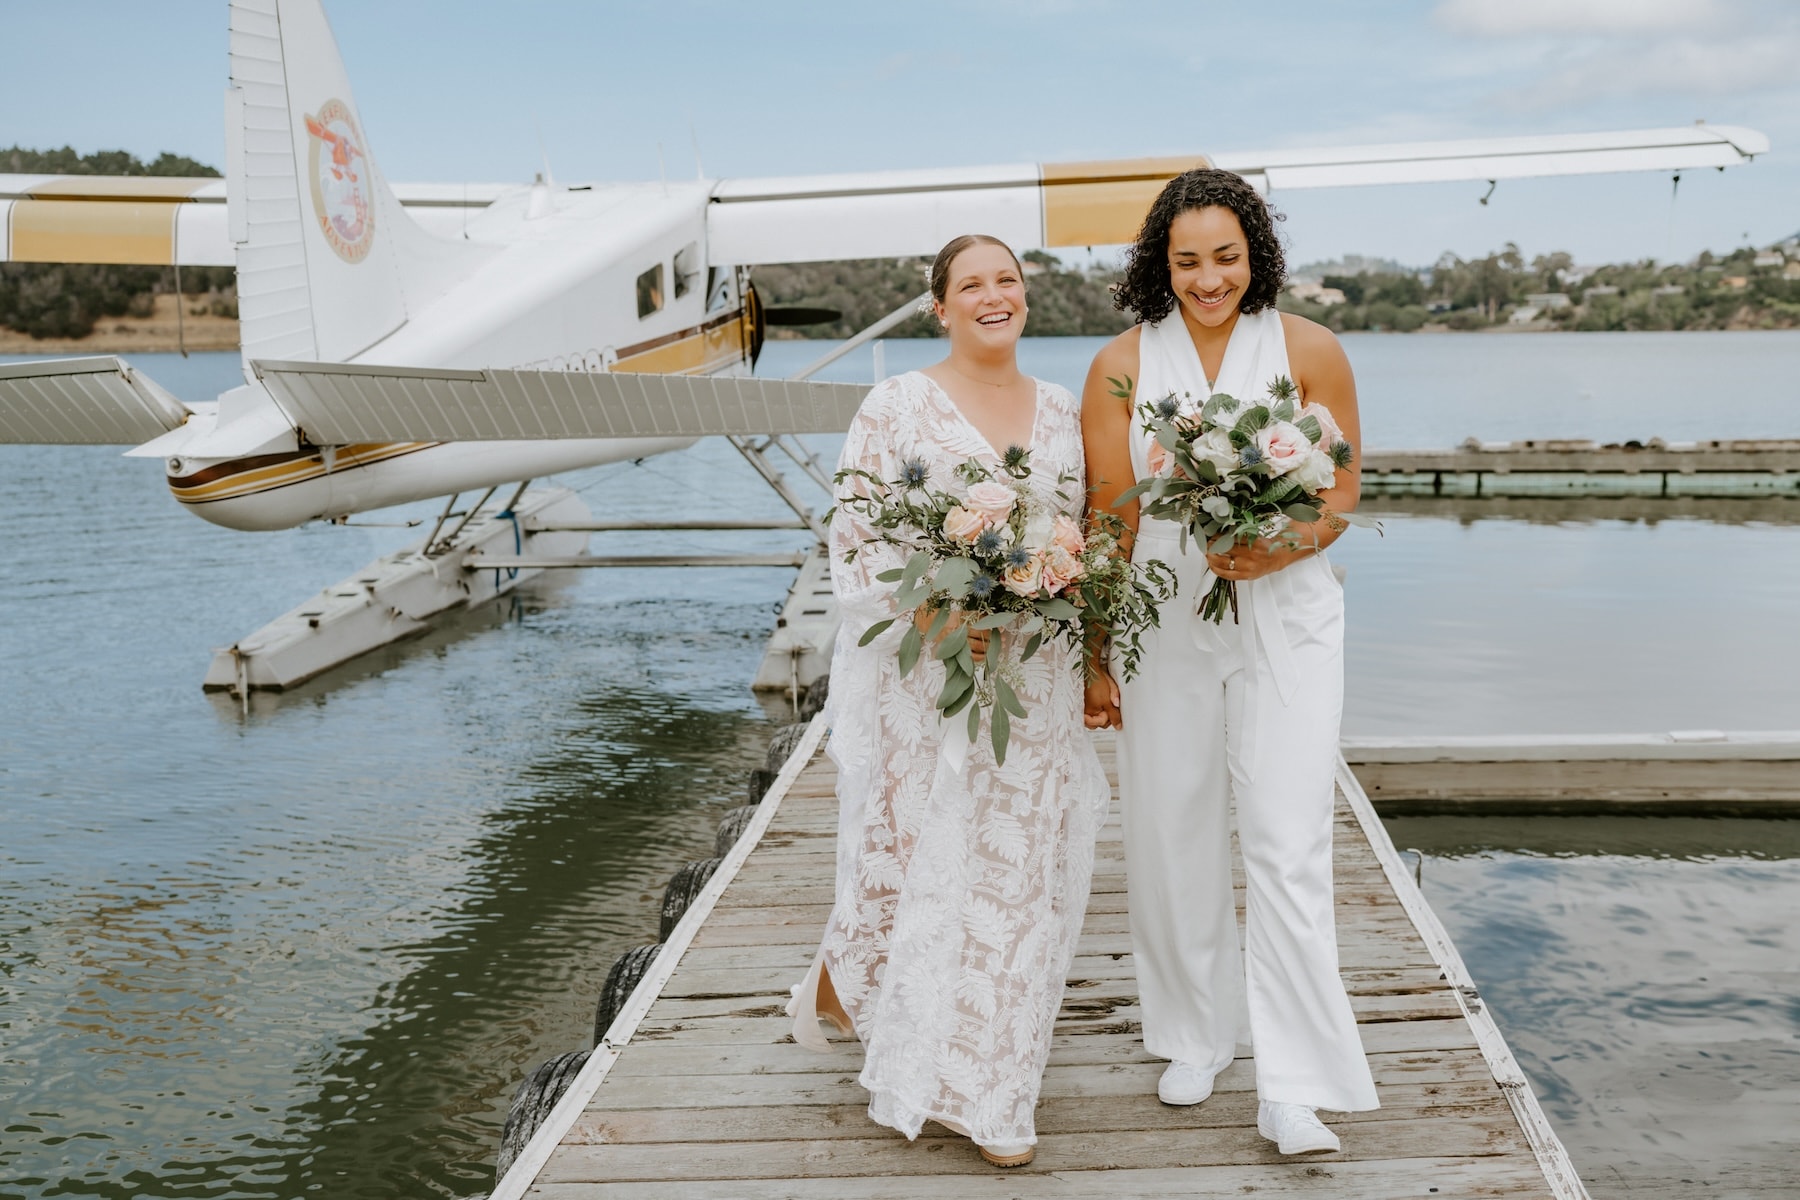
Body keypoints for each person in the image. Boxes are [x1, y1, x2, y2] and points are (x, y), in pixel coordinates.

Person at [787, 234, 1110, 1168]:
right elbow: (856, 534)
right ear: (941, 307)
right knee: (926, 848)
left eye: (1008, 279)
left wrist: (1081, 639)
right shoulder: (895, 405)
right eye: (972, 284)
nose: (994, 295)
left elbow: (1080, 536)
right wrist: (938, 612)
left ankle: (994, 1084)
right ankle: (889, 1009)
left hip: (1033, 675)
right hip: (928, 670)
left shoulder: (1059, 410)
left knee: (1020, 867)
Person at [1079, 169, 1380, 1155]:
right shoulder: (1123, 365)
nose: (1209, 279)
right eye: (1187, 260)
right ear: (1158, 265)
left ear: (1257, 254)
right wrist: (1095, 655)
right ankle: (1192, 1035)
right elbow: (1108, 520)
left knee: (1288, 840)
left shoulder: (1310, 350)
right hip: (1163, 623)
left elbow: (1337, 497)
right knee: (1172, 830)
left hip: (1289, 619)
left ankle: (1293, 1083)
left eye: (1227, 257)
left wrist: (1281, 546)